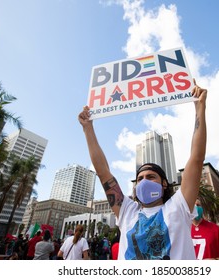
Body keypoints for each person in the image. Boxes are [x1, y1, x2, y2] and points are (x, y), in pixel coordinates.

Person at [78, 79, 207, 260]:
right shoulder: (127, 211)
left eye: (151, 176)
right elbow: (103, 172)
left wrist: (199, 108)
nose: (144, 181)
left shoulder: (179, 206)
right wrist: (88, 129)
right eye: (140, 178)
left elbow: (196, 158)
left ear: (164, 184)